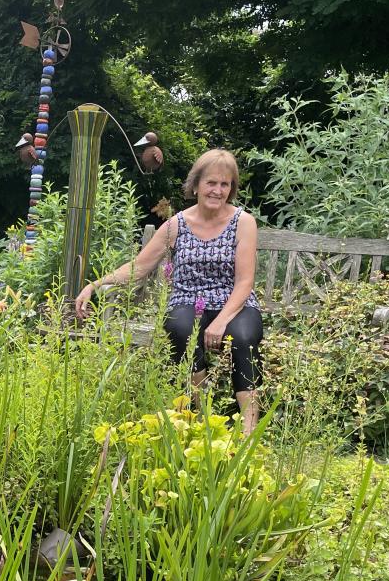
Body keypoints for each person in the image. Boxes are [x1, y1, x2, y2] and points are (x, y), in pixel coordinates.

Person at [75, 148, 262, 433]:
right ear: (197, 184)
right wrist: (94, 285)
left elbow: (245, 281)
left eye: (225, 184)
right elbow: (139, 267)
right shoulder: (177, 225)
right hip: (188, 298)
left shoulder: (243, 222)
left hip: (234, 302)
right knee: (181, 327)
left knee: (244, 338)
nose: (217, 190)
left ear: (231, 188)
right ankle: (202, 416)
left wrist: (222, 321)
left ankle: (250, 430)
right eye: (211, 182)